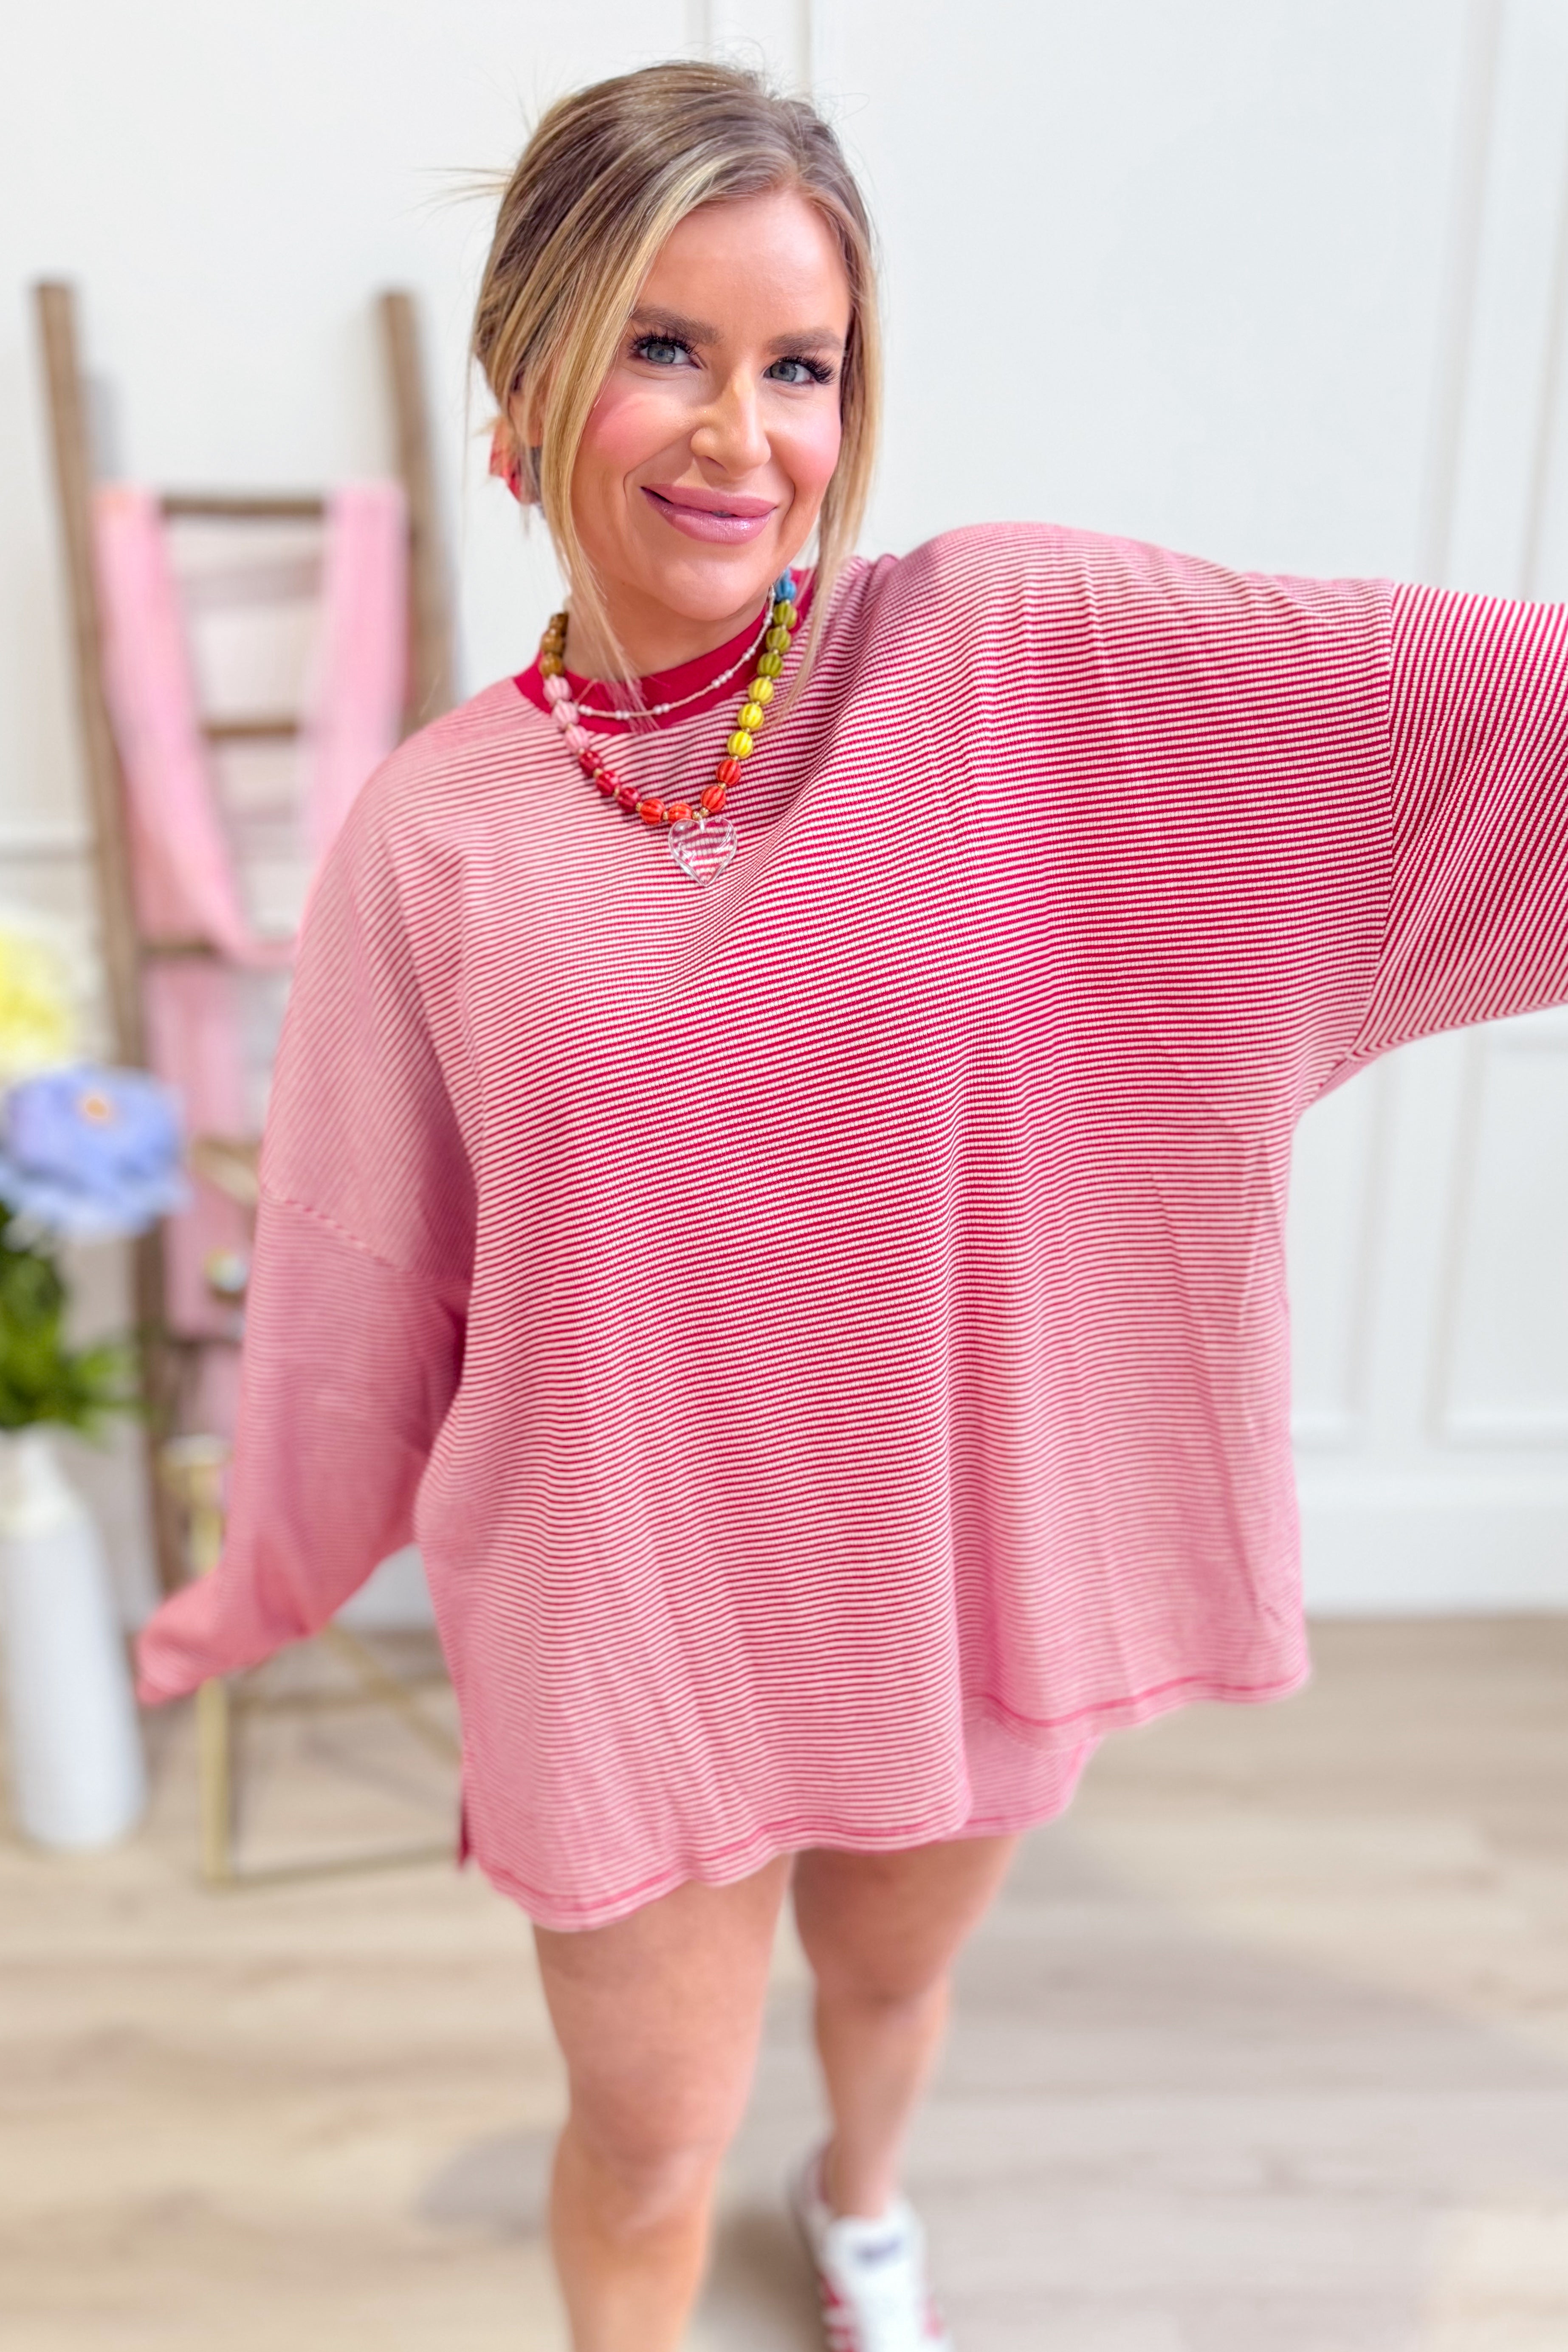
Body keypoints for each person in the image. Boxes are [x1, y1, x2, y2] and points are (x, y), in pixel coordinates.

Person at [135, 56, 1568, 2352]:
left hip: (945, 1560)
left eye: (800, 365)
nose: (743, 435)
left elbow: (1469, 733)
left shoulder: (1006, 665)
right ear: (528, 380)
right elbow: (356, 1273)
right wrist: (257, 1579)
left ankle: (866, 2207)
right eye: (665, 348)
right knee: (645, 2144)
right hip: (628, 1616)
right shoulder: (435, 837)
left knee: (890, 1997)